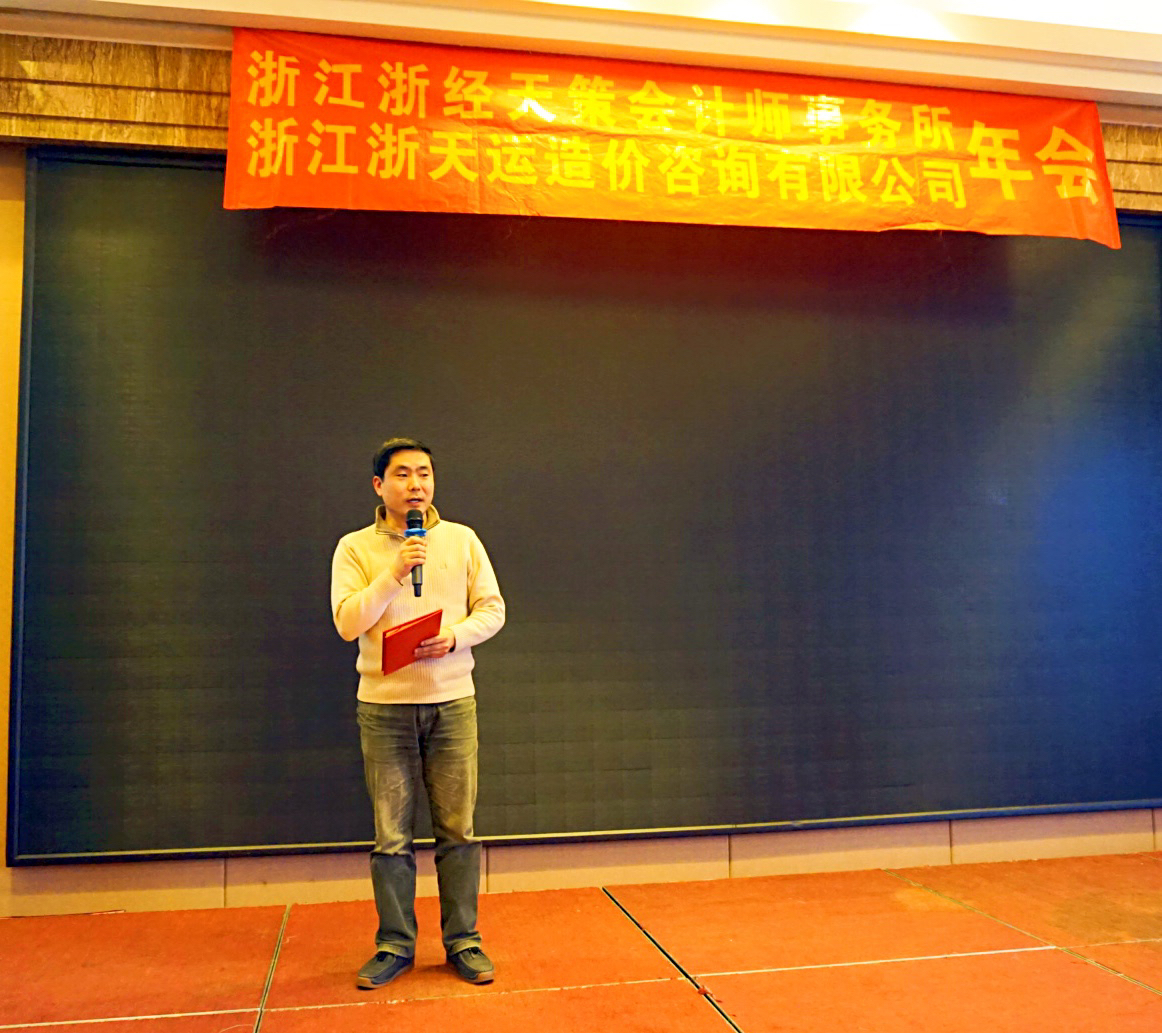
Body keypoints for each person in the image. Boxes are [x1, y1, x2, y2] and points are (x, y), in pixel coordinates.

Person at [330, 437, 505, 989]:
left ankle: (464, 941)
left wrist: (453, 637)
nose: (416, 485)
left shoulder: (462, 539)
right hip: (384, 711)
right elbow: (347, 623)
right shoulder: (354, 548)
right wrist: (394, 573)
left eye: (424, 473)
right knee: (391, 837)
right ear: (379, 485)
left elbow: (493, 610)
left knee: (458, 831)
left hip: (452, 703)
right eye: (403, 474)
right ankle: (395, 945)